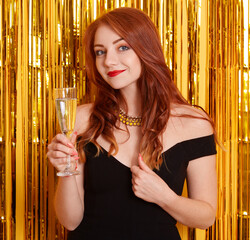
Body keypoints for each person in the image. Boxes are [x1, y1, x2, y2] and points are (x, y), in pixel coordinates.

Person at [47, 7, 217, 240]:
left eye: (123, 47)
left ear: (146, 48)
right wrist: (66, 170)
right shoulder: (81, 119)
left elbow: (206, 218)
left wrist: (164, 197)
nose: (109, 61)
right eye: (100, 52)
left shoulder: (194, 123)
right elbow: (70, 221)